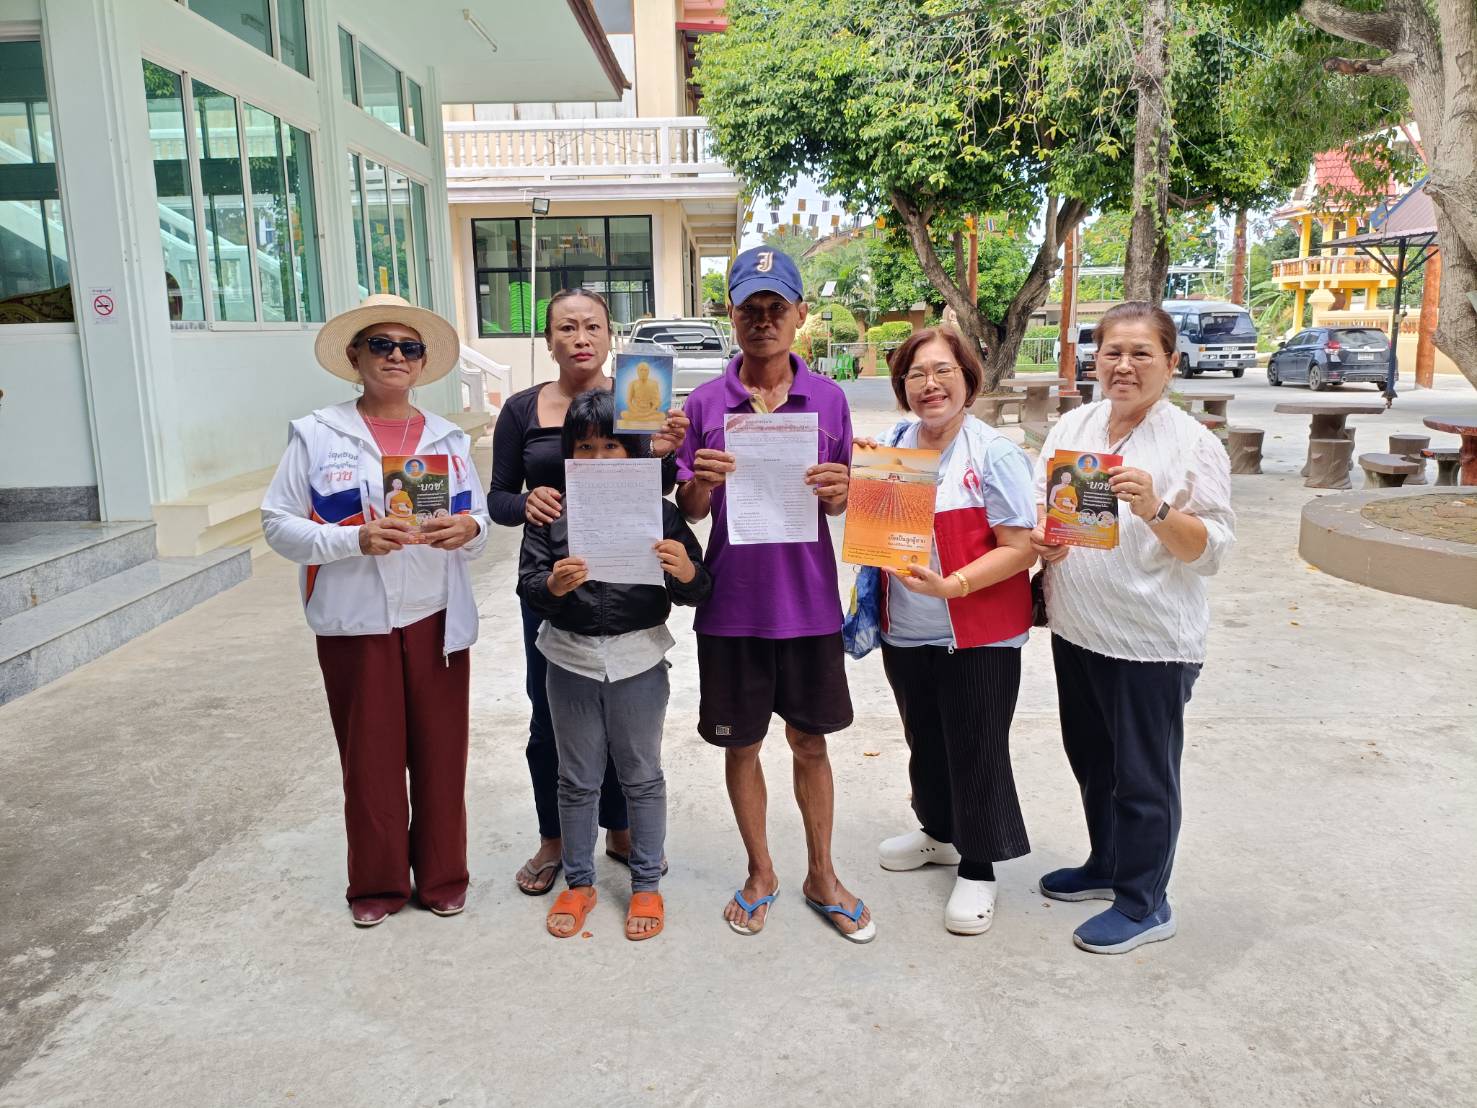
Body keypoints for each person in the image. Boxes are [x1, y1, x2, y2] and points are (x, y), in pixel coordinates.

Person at [261, 293, 490, 928]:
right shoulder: (318, 434)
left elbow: (482, 522)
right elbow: (277, 525)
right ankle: (378, 884)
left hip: (436, 618)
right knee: (370, 758)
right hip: (356, 619)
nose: (396, 357)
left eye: (409, 348)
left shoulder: (446, 437)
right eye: (382, 345)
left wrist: (465, 530)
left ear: (422, 364)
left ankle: (444, 875)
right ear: (355, 356)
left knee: (443, 756)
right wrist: (350, 539)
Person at [675, 246, 873, 943]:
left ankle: (821, 871)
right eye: (748, 309)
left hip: (808, 602)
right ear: (729, 315)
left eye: (775, 309)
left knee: (811, 742)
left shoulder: (828, 399)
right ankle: (761, 871)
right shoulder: (703, 402)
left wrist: (843, 490)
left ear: (798, 316)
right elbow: (693, 509)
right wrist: (703, 479)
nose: (762, 321)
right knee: (742, 745)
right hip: (731, 604)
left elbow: (846, 499)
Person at [1030, 300, 1235, 955]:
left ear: (1170, 363)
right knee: (1092, 761)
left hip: (1149, 644)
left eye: (1141, 353)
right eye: (1111, 352)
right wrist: (1045, 540)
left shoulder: (1191, 444)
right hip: (1077, 629)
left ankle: (1146, 903)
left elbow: (1211, 550)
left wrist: (1153, 508)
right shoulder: (1075, 426)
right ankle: (1107, 864)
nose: (1123, 365)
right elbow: (1049, 509)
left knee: (1143, 779)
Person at [488, 288, 688, 896]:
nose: (580, 337)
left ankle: (621, 829)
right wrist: (527, 502)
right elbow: (498, 496)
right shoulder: (523, 409)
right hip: (556, 579)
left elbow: (661, 491)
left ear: (610, 337)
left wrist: (667, 452)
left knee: (625, 717)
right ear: (548, 339)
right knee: (551, 717)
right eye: (566, 327)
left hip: (626, 582)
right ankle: (556, 837)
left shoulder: (637, 396)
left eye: (592, 326)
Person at [518, 389, 712, 941]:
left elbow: (700, 588)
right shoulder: (551, 514)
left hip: (638, 658)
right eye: (585, 448)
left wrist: (684, 573)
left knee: (642, 775)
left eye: (611, 446)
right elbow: (529, 586)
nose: (599, 459)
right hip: (570, 659)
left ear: (631, 452)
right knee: (576, 778)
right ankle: (579, 882)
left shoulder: (661, 514)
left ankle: (646, 883)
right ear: (569, 455)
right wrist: (553, 585)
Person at [867, 327, 1038, 935]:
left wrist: (954, 585)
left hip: (979, 631)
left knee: (976, 745)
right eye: (916, 374)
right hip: (907, 628)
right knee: (926, 739)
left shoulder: (993, 452)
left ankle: (979, 865)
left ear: (969, 379)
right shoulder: (894, 444)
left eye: (943, 371)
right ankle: (937, 832)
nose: (930, 385)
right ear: (902, 385)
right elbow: (878, 529)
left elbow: (1021, 549)